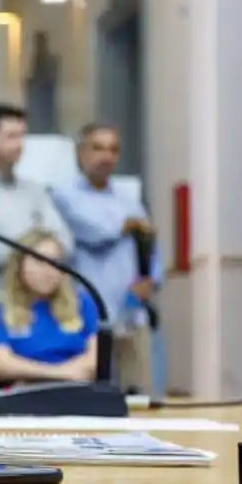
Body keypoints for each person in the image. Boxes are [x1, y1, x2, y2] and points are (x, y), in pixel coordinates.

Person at [0, 102, 73, 383]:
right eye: (11, 136)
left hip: (37, 315)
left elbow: (66, 244)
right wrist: (36, 235)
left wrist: (25, 243)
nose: (20, 144)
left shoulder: (33, 189)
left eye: (23, 136)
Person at [50, 123, 160, 392]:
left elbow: (149, 243)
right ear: (80, 153)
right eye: (97, 148)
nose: (106, 157)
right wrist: (127, 225)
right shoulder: (63, 195)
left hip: (131, 312)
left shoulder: (128, 199)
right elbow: (91, 231)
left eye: (113, 150)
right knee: (92, 398)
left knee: (139, 396)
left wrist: (151, 280)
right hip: (86, 317)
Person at [0, 229, 99, 384]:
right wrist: (59, 373)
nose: (48, 270)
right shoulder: (1, 312)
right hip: (26, 396)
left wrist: (66, 373)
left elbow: (97, 357)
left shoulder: (82, 303)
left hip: (79, 393)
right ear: (19, 266)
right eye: (39, 262)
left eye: (54, 262)